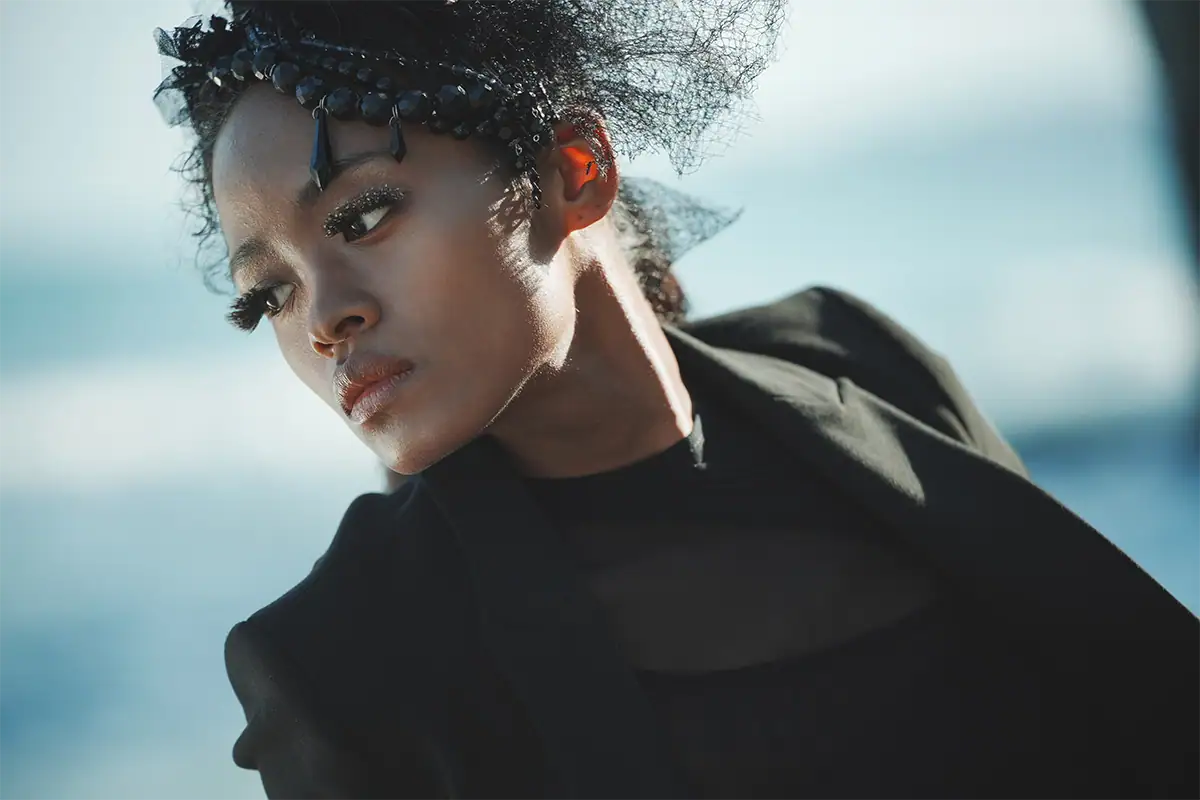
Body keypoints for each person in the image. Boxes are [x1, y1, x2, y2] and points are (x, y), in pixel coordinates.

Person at [152, 2, 1200, 798]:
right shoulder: (347, 662)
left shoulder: (864, 363)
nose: (322, 318)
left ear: (575, 168)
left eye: (364, 215)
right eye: (268, 294)